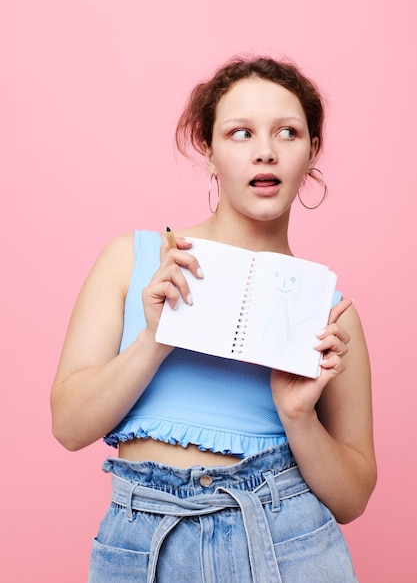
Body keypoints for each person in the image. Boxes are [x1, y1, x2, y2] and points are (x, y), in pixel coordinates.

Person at [51, 56, 376, 582]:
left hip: (286, 540)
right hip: (144, 543)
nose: (265, 151)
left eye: (288, 133)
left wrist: (298, 419)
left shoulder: (329, 311)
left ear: (312, 150)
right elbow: (67, 427)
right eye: (241, 133)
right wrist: (156, 338)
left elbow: (354, 497)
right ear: (208, 150)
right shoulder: (133, 261)